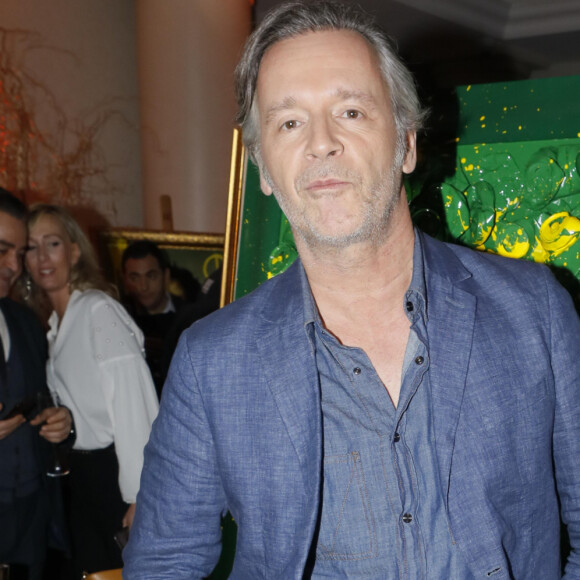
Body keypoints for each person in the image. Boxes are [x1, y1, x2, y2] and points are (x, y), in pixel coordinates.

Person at [124, 2, 580, 578]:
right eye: (289, 122)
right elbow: (164, 560)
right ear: (263, 168)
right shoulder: (211, 361)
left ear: (407, 143)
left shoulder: (533, 310)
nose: (321, 143)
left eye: (351, 111)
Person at [24, 204, 159, 577]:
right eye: (31, 247)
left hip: (114, 477)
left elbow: (135, 407)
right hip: (78, 481)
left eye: (52, 243)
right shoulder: (52, 326)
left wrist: (139, 497)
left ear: (75, 251)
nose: (42, 257)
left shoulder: (98, 310)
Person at [0, 189, 73, 580]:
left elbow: (44, 400)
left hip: (31, 521)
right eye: (2, 250)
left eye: (19, 251)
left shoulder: (26, 323)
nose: (14, 265)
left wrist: (62, 421)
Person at [121, 240, 192, 396]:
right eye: (134, 278)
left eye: (151, 276)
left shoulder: (190, 317)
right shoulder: (120, 321)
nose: (143, 286)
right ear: (125, 280)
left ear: (166, 276)